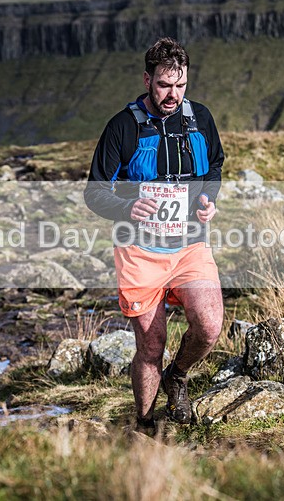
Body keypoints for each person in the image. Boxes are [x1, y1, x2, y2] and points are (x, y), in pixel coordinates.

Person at [84, 37, 225, 432]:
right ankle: (144, 425)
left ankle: (176, 376)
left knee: (210, 326)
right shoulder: (122, 127)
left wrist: (208, 200)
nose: (173, 95)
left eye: (180, 86)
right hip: (139, 251)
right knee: (151, 346)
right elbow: (94, 193)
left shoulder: (200, 118)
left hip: (190, 244)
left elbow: (214, 164)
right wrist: (128, 207)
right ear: (148, 79)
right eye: (164, 85)